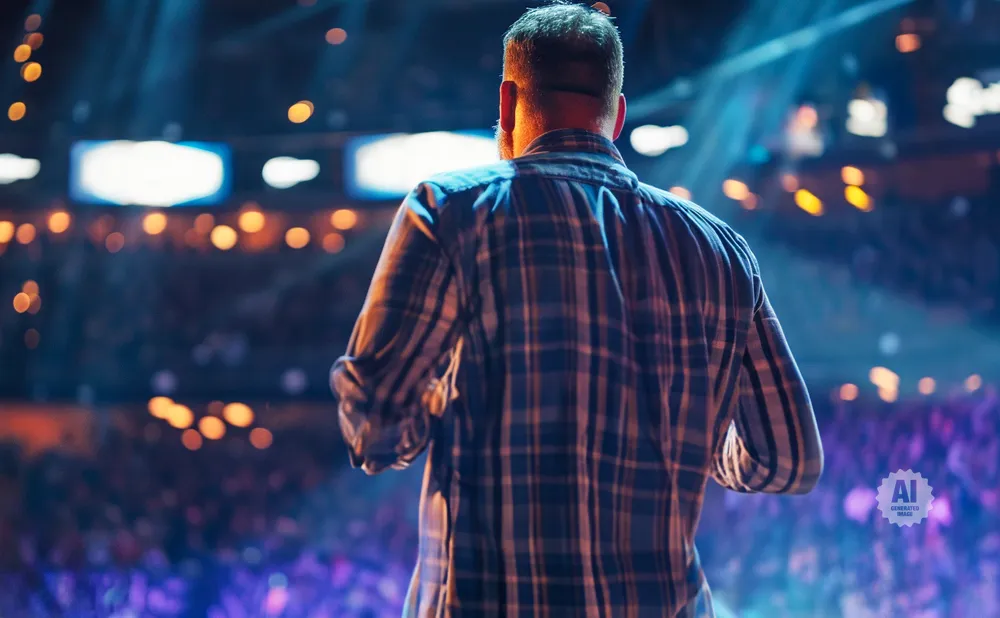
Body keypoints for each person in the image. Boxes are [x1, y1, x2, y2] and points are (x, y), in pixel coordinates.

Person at [331, 2, 824, 616]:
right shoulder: (719, 247)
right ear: (615, 116)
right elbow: (788, 460)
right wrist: (690, 440)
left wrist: (445, 394)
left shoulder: (449, 212)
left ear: (508, 102)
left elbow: (376, 430)